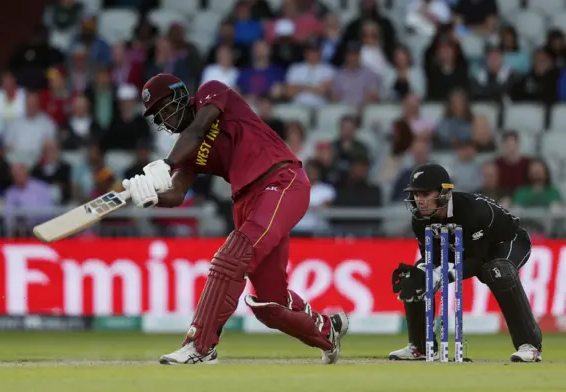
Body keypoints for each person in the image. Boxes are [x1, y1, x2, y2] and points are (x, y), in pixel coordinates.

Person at [121, 74, 348, 365]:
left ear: (180, 96)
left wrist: (166, 163)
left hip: (281, 180)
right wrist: (150, 196)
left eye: (164, 109)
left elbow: (198, 129)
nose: (163, 120)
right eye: (157, 117)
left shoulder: (211, 92)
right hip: (246, 202)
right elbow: (177, 193)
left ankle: (200, 346)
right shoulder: (186, 151)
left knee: (232, 257)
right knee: (270, 304)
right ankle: (329, 331)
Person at [390, 163, 542, 363]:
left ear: (444, 193)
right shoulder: (419, 220)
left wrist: (444, 275)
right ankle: (421, 347)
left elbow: (478, 261)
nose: (420, 201)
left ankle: (529, 345)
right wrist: (425, 274)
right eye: (416, 194)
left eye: (425, 194)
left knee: (497, 271)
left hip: (506, 242)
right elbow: (433, 260)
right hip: (464, 249)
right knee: (416, 277)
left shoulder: (472, 211)